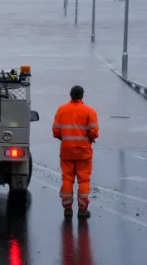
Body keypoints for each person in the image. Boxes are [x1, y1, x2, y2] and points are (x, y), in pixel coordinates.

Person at [52, 85, 99, 219]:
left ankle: (67, 208)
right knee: (84, 181)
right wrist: (89, 138)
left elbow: (56, 131)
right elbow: (94, 132)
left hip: (67, 151)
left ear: (70, 95)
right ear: (82, 96)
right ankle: (82, 209)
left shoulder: (62, 110)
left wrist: (65, 138)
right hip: (84, 152)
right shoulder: (90, 111)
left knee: (67, 179)